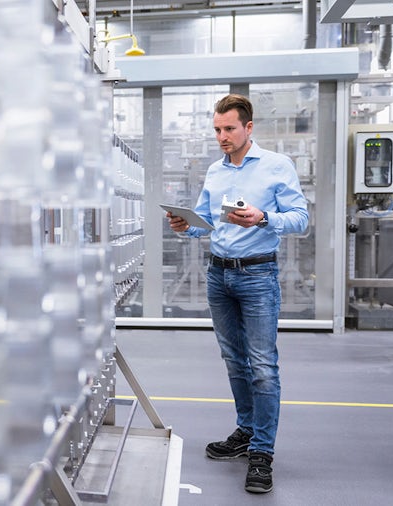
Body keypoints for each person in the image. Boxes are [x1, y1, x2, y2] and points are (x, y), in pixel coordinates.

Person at [166, 94, 309, 494]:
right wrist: (185, 225)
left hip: (258, 275)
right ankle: (246, 431)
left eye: (229, 129)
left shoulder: (277, 166)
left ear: (249, 127)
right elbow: (207, 222)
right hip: (219, 276)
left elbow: (300, 219)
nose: (222, 136)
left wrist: (264, 217)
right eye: (217, 129)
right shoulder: (214, 171)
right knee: (234, 362)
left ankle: (262, 453)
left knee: (263, 366)